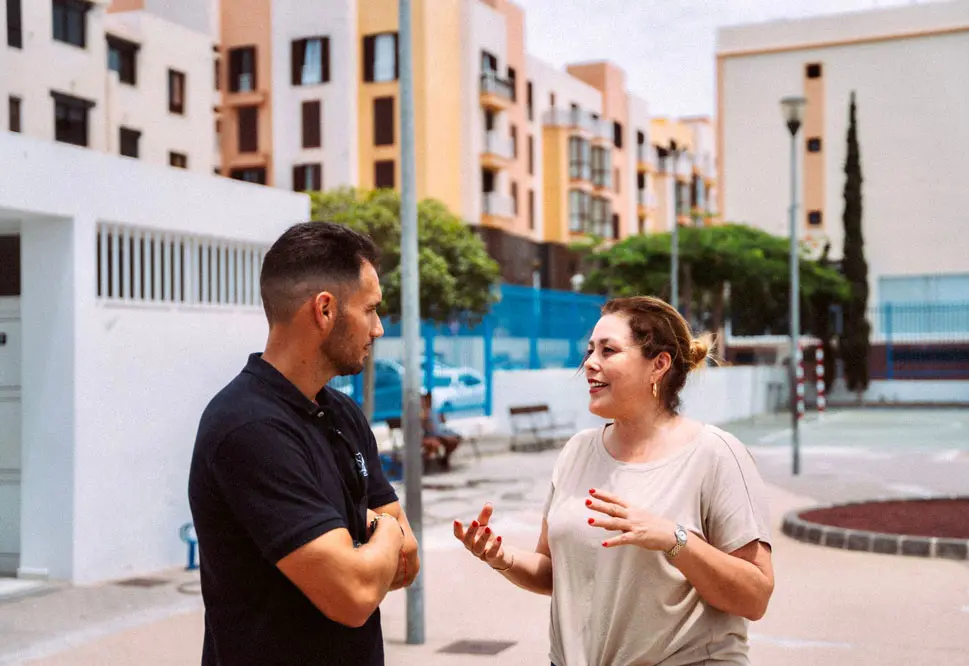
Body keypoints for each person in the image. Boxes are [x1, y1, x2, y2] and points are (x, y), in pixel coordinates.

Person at [453, 296, 774, 666]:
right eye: (590, 350)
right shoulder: (577, 452)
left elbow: (755, 597)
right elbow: (556, 573)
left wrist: (675, 539)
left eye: (608, 351)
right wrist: (503, 558)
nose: (590, 363)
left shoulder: (715, 454)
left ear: (659, 365)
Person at [188, 222, 419, 666]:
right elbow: (354, 595)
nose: (378, 329)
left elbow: (406, 564)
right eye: (370, 310)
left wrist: (372, 551)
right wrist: (385, 530)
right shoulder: (247, 428)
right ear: (325, 310)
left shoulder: (343, 414)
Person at [420, 390, 461, 469]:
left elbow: (442, 422)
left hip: (438, 434)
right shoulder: (423, 413)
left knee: (454, 440)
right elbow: (429, 429)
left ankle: (444, 458)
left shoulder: (434, 411)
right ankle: (441, 460)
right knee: (445, 441)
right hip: (431, 436)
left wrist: (443, 414)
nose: (429, 401)